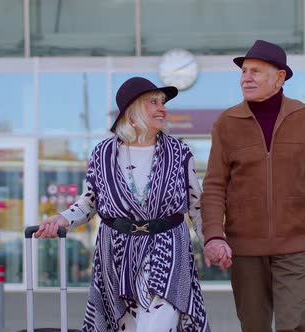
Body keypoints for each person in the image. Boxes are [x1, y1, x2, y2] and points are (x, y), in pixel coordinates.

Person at [200, 40, 305, 332]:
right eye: (244, 71)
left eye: (256, 71)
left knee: (294, 325)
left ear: (279, 77)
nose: (246, 77)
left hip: (296, 246)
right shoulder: (226, 123)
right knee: (254, 326)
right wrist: (214, 235)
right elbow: (214, 186)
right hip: (246, 249)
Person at [34, 77, 210, 332]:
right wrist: (62, 219)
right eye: (154, 102)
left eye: (163, 102)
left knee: (158, 324)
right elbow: (91, 200)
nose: (162, 108)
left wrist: (211, 241)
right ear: (133, 110)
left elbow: (196, 204)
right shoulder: (103, 153)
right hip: (117, 252)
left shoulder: (180, 152)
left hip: (168, 248)